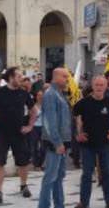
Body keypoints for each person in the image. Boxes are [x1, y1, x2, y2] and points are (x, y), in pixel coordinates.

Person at [0, 67, 36, 205]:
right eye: (18, 76)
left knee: (23, 161)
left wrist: (30, 126)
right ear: (10, 77)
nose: (21, 78)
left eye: (21, 76)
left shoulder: (23, 93)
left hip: (19, 132)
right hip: (2, 132)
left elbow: (34, 110)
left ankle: (23, 185)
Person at [74, 76, 109, 208]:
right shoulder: (83, 102)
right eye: (96, 84)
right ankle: (83, 202)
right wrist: (78, 132)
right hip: (87, 144)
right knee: (87, 174)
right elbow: (76, 116)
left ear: (105, 86)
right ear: (92, 86)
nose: (99, 87)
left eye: (101, 85)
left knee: (107, 173)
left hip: (105, 143)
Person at [38, 68, 71, 208]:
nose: (67, 79)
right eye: (64, 76)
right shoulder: (51, 94)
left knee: (59, 176)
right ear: (55, 77)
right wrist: (57, 142)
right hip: (55, 142)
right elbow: (50, 120)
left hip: (63, 141)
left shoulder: (60, 94)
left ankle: (59, 204)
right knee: (50, 177)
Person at [30, 89, 46, 170]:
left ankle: (40, 163)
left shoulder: (46, 105)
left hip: (44, 127)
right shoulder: (33, 106)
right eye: (39, 95)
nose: (40, 97)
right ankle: (36, 164)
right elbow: (30, 117)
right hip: (35, 127)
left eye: (42, 95)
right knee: (34, 146)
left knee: (43, 147)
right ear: (36, 97)